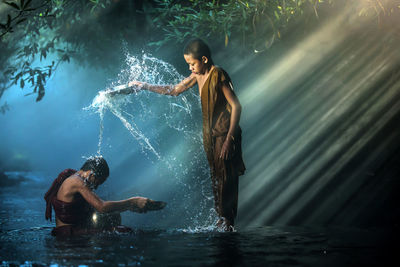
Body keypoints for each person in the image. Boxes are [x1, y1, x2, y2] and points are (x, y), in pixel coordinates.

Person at [109, 39, 245, 231]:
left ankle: (228, 221)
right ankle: (221, 219)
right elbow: (174, 90)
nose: (190, 68)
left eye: (192, 63)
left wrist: (229, 139)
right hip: (210, 135)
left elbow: (236, 106)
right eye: (188, 64)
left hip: (225, 134)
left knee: (226, 176)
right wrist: (144, 85)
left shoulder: (218, 74)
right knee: (216, 175)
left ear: (204, 59)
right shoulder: (197, 76)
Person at [44, 156, 166, 236]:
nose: (95, 188)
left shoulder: (75, 177)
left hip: (73, 227)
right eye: (97, 183)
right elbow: (101, 207)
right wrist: (133, 202)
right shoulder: (77, 181)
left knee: (114, 217)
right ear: (91, 174)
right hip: (68, 233)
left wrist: (130, 208)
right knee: (124, 231)